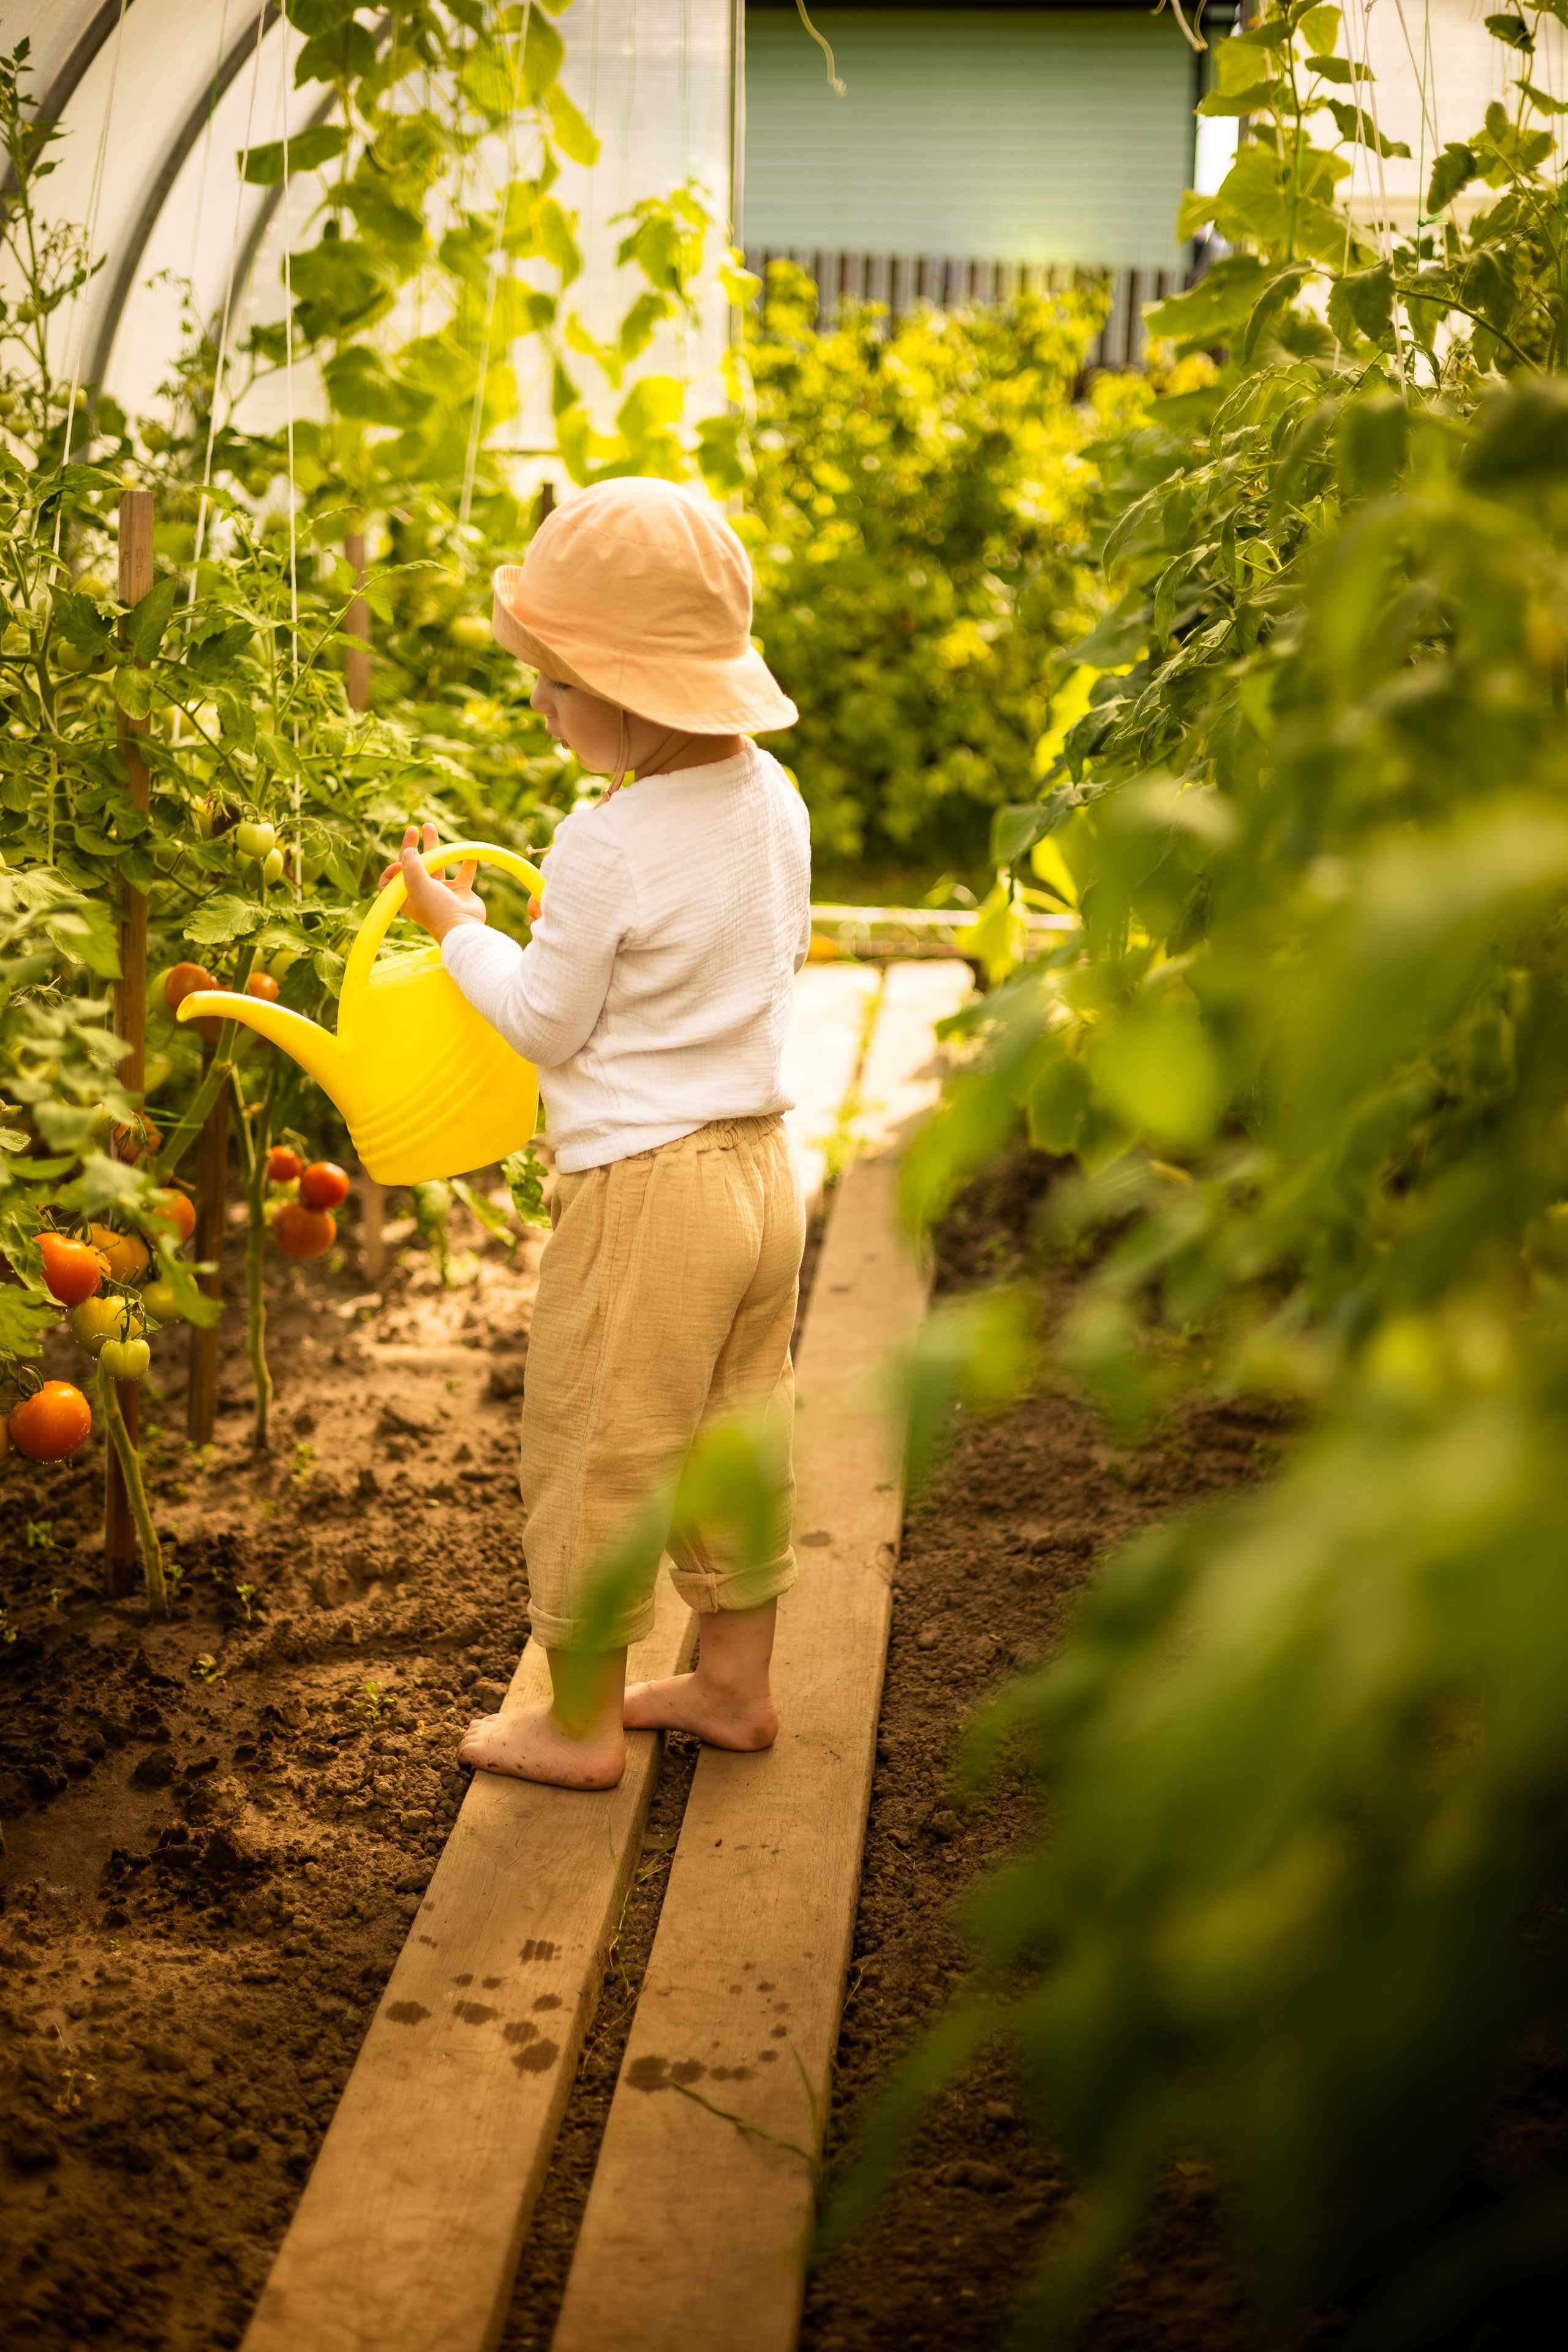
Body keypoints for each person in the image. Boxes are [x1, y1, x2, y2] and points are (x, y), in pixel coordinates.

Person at [383, 477, 810, 1791]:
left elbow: (544, 1022)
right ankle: (732, 1687)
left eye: (557, 683)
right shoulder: (774, 798)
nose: (540, 704)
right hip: (760, 1175)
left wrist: (455, 930)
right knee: (735, 1436)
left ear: (638, 695)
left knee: (595, 1453)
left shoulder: (604, 843)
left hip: (648, 1195)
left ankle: (574, 1725)